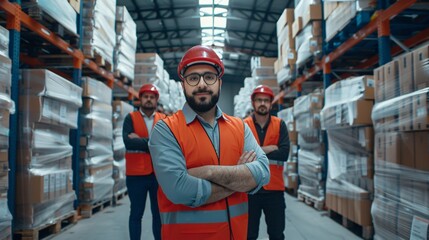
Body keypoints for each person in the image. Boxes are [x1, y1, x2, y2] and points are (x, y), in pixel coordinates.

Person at [148, 45, 270, 240]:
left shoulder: (240, 127)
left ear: (219, 83)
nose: (202, 84)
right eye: (193, 78)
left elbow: (263, 172)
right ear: (183, 85)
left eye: (209, 77)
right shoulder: (166, 130)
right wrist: (240, 179)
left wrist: (208, 172)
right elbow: (179, 190)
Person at [243, 85, 290, 240]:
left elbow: (284, 154)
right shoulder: (243, 125)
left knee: (277, 234)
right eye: (259, 100)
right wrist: (269, 148)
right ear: (253, 103)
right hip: (250, 189)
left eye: (266, 100)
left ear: (271, 103)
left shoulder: (280, 124)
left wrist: (255, 152)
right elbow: (240, 154)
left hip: (274, 190)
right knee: (249, 234)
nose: (262, 103)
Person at [122, 84, 165, 240]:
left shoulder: (163, 119)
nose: (148, 100)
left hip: (157, 175)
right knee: (136, 214)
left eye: (152, 97)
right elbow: (128, 143)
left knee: (158, 214)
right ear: (140, 99)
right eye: (145, 96)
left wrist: (141, 141)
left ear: (156, 100)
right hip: (135, 175)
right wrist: (152, 144)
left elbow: (165, 143)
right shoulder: (130, 118)